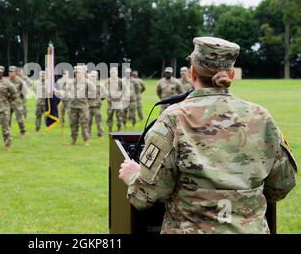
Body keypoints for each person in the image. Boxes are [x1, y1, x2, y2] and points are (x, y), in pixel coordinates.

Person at [119, 37, 297, 234]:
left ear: (192, 73)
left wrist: (133, 175)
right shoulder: (261, 117)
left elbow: (144, 195)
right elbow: (281, 185)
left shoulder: (173, 118)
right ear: (231, 75)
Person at [61, 66, 95, 146]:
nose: (77, 74)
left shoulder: (87, 83)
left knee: (84, 124)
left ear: (82, 73)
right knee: (73, 124)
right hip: (73, 106)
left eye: (78, 72)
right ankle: (73, 139)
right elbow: (64, 92)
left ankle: (86, 140)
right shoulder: (70, 82)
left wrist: (88, 103)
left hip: (83, 107)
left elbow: (93, 94)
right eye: (75, 72)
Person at [8, 66, 26, 137]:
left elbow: (24, 92)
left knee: (19, 119)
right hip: (8, 103)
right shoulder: (6, 81)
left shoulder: (20, 81)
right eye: (9, 72)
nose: (10, 73)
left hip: (17, 103)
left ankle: (22, 132)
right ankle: (8, 133)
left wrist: (20, 99)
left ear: (15, 72)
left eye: (12, 72)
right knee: (7, 119)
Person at [88, 71, 107, 137]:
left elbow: (105, 94)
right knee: (88, 121)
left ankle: (100, 134)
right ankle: (88, 134)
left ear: (97, 77)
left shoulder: (100, 85)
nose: (92, 77)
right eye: (91, 76)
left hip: (97, 106)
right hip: (88, 106)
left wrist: (99, 99)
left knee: (99, 121)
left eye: (94, 76)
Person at [106, 67, 125, 133]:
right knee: (109, 116)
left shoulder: (120, 81)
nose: (113, 74)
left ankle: (119, 128)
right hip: (110, 102)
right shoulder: (108, 81)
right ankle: (110, 128)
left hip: (118, 102)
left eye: (114, 72)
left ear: (117, 73)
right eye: (111, 73)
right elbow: (105, 90)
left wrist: (120, 95)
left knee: (119, 116)